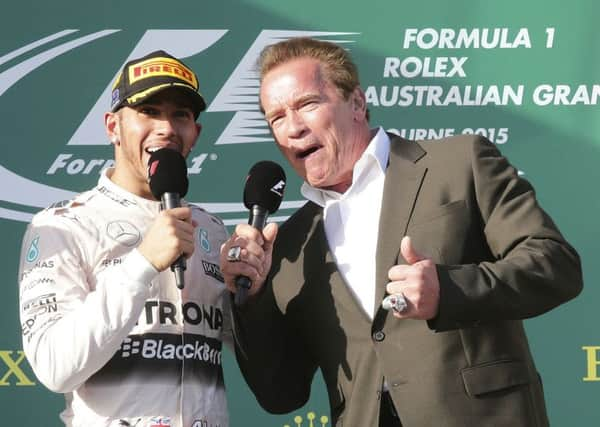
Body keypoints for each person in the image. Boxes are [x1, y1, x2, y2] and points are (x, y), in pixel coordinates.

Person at [220, 38, 583, 427]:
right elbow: (281, 394)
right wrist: (252, 299)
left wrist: (449, 290)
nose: (292, 128)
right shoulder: (292, 243)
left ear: (356, 103)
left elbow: (555, 265)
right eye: (276, 117)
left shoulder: (460, 164)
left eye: (307, 104)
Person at [18, 50, 231, 427]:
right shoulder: (63, 225)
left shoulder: (212, 230)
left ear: (195, 133)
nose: (166, 127)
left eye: (180, 114)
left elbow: (249, 355)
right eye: (149, 111)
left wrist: (253, 295)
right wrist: (142, 264)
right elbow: (55, 367)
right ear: (113, 127)